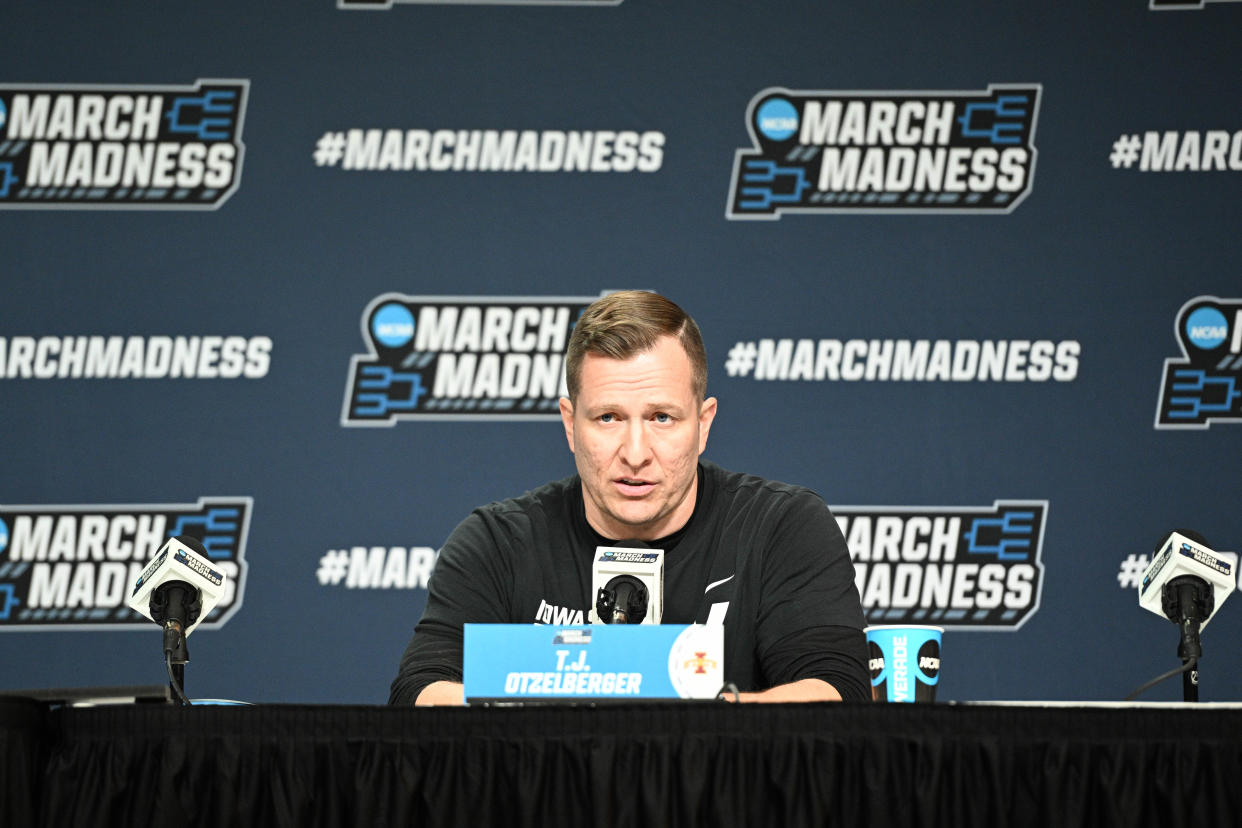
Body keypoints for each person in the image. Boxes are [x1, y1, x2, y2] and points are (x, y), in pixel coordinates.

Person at [389, 291, 868, 705]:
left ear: (703, 425)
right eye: (608, 418)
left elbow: (836, 691)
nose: (635, 454)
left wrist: (683, 715)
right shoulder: (497, 543)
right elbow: (421, 690)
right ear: (569, 424)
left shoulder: (780, 527)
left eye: (662, 417)